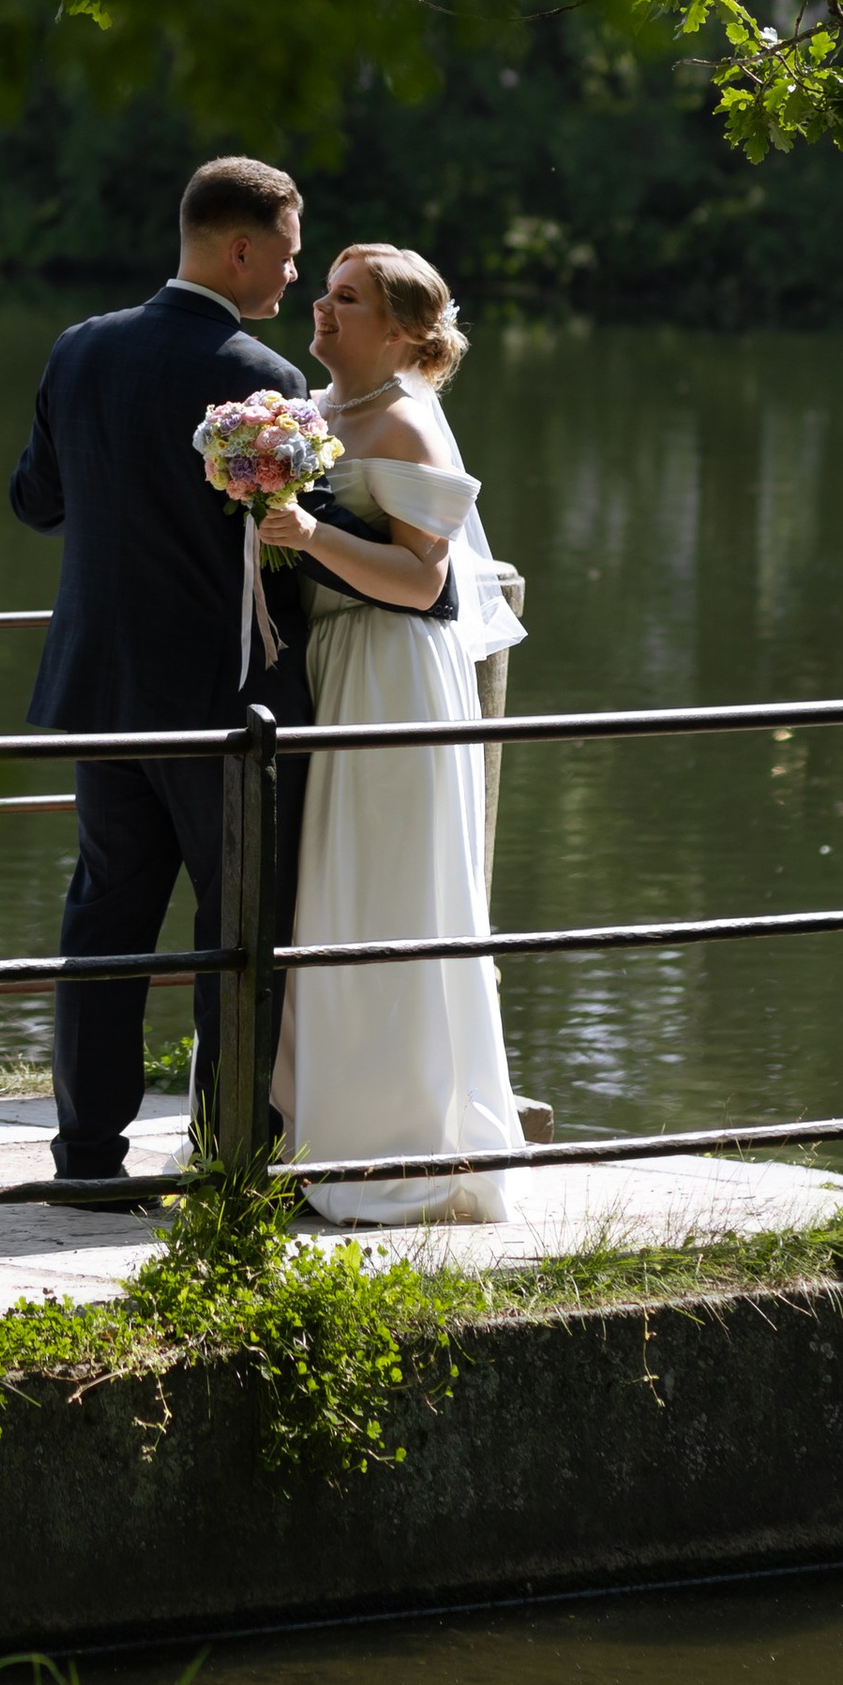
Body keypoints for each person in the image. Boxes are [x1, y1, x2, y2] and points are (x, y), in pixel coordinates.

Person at [9, 154, 317, 1197]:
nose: (289, 277)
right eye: (283, 253)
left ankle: (86, 1156)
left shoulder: (80, 349)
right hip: (222, 703)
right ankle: (233, 1160)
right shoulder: (264, 382)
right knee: (238, 935)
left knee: (105, 921)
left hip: (101, 692)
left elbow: (35, 503)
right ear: (238, 246)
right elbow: (283, 549)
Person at [260, 243, 525, 1225]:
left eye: (348, 299)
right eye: (323, 292)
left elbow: (425, 585)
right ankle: (308, 1124)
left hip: (390, 678)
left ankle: (396, 1140)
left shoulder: (410, 428)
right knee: (316, 900)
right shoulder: (316, 417)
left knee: (379, 893)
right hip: (324, 666)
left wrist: (308, 535)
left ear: (405, 331)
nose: (321, 310)